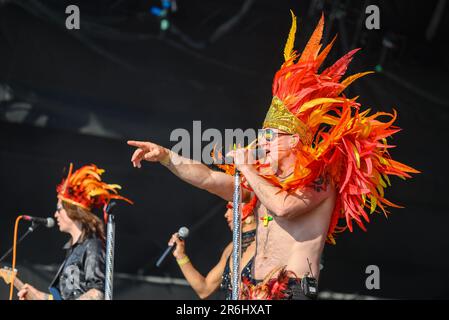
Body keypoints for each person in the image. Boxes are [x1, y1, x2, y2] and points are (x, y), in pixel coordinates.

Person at [127, 12, 418, 299]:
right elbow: (207, 178)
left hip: (290, 291)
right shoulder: (263, 185)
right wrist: (167, 156)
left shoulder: (320, 180)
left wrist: (247, 168)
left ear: (294, 141)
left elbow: (282, 208)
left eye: (271, 137)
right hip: (252, 291)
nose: (262, 143)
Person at [17, 163, 132, 300]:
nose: (55, 214)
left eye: (59, 209)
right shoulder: (73, 250)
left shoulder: (92, 245)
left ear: (72, 211)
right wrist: (38, 296)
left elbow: (97, 293)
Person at [168, 201, 257, 299]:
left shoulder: (267, 243)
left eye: (231, 207)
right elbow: (205, 290)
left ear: (249, 207)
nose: (226, 214)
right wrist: (180, 255)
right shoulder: (231, 248)